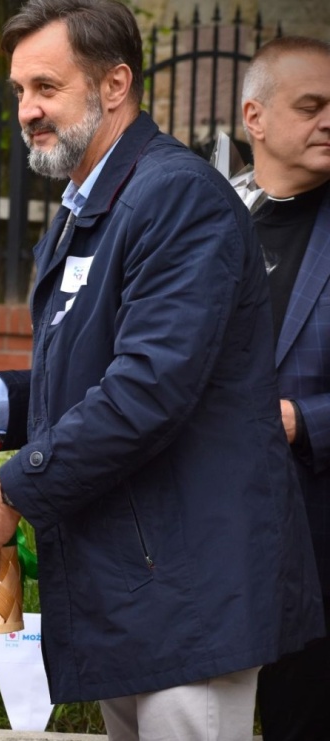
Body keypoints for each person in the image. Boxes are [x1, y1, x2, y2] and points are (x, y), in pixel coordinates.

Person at [0, 1, 323, 739]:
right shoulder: (87, 204)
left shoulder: (177, 196)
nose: (27, 110)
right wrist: (2, 395)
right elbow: (108, 371)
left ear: (114, 85)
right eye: (19, 91)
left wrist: (12, 491)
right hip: (135, 586)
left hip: (189, 590)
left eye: (46, 87)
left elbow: (149, 389)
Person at [237, 36, 330, 741]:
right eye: (312, 105)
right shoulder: (210, 218)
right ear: (256, 118)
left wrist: (304, 418)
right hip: (219, 543)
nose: (329, 121)